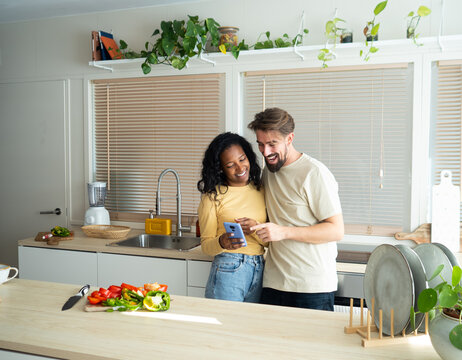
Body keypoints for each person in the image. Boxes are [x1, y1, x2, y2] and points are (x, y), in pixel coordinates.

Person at [247, 107, 344, 311]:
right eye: (261, 144)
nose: (266, 152)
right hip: (274, 283)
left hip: (311, 287)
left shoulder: (314, 173)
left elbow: (336, 230)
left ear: (289, 139)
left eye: (272, 144)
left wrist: (283, 231)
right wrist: (257, 227)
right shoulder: (269, 171)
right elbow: (277, 218)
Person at [197, 132, 267, 302]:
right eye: (230, 165)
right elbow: (206, 245)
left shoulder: (261, 190)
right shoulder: (212, 197)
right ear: (221, 168)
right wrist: (222, 242)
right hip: (228, 266)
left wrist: (255, 229)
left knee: (248, 327)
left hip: (260, 267)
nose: (240, 168)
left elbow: (269, 242)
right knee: (223, 325)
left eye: (242, 159)